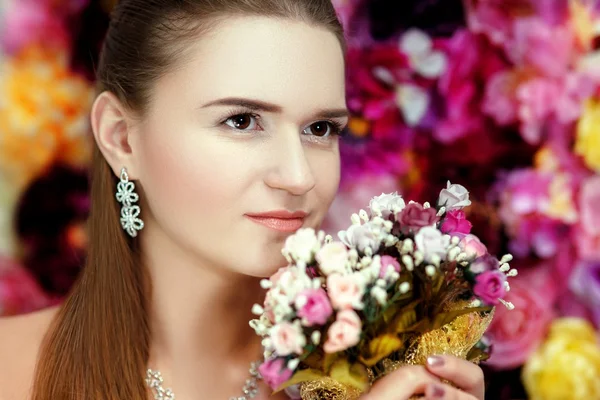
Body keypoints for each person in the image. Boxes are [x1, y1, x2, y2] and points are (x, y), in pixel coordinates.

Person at [0, 1, 486, 399]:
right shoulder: (11, 372)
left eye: (320, 129)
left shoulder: (387, 379)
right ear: (122, 138)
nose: (298, 177)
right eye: (242, 121)